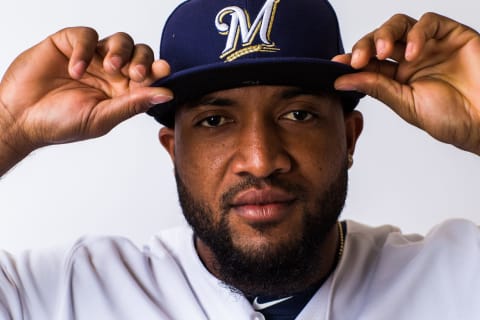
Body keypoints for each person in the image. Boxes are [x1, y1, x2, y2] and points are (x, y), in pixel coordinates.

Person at [1, 0, 480, 319]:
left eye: (297, 113)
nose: (259, 159)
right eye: (214, 121)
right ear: (173, 150)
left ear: (350, 138)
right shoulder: (63, 294)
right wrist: (8, 126)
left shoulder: (459, 278)